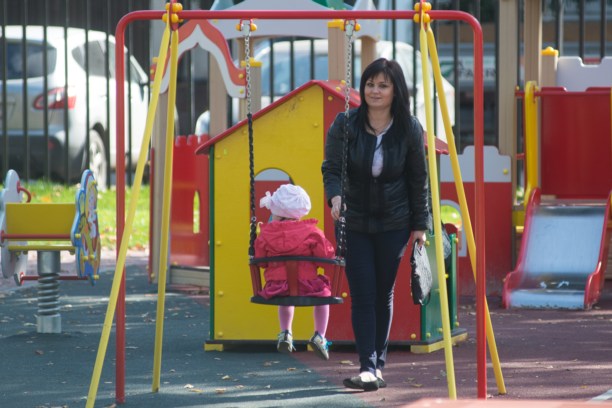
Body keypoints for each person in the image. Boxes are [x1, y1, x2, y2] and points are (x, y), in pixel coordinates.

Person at [321, 58, 430, 391]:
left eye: (383, 85)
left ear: (396, 90)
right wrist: (335, 198)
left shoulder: (409, 128)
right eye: (370, 84)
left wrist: (420, 224)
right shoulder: (346, 123)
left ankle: (378, 365)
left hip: (394, 222)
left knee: (383, 293)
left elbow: (418, 178)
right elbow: (331, 168)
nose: (375, 91)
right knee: (363, 294)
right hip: (354, 220)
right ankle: (367, 366)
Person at [255, 183, 336, 361]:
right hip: (307, 286)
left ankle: (285, 332)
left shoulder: (266, 234)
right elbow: (325, 256)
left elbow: (261, 262)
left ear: (277, 211)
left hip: (277, 287)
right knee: (324, 295)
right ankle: (320, 336)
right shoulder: (312, 232)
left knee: (286, 297)